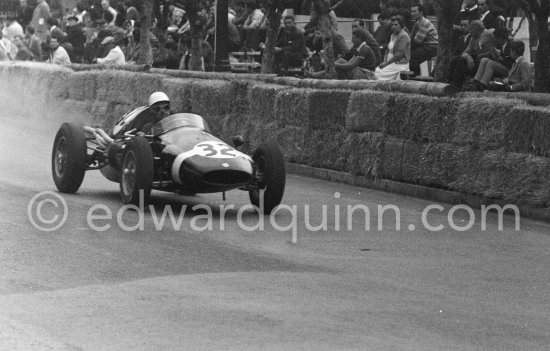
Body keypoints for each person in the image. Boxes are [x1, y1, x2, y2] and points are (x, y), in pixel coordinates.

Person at [375, 16, 410, 80]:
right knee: (377, 70)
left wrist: (386, 63)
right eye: (392, 25)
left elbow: (399, 54)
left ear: (401, 25)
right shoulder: (392, 35)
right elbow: (388, 50)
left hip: (399, 64)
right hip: (390, 63)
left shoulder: (404, 36)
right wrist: (384, 61)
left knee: (378, 73)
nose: (393, 27)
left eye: (396, 25)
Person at [409, 3, 438, 76]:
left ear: (421, 12)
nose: (412, 13)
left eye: (415, 11)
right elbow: (412, 38)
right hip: (425, 45)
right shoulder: (417, 22)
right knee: (410, 54)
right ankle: (416, 76)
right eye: (411, 11)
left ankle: (415, 77)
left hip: (432, 46)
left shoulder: (424, 22)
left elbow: (417, 41)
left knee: (412, 56)